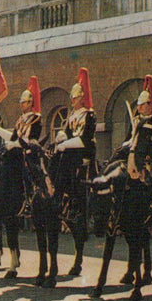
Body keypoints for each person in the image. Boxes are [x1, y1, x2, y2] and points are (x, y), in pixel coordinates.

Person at [53, 68, 96, 225]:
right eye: (72, 97)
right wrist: (60, 137)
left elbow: (85, 139)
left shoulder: (89, 115)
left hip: (84, 152)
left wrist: (65, 144)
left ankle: (74, 203)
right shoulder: (71, 116)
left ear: (82, 98)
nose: (72, 100)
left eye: (75, 97)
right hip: (71, 151)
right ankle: (58, 194)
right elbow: (67, 133)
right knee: (54, 158)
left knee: (67, 161)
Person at [0, 76, 42, 148]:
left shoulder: (35, 120)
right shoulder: (20, 120)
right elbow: (13, 138)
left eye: (23, 102)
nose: (21, 105)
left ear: (30, 103)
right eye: (21, 102)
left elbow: (31, 142)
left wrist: (15, 144)